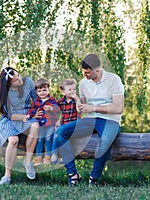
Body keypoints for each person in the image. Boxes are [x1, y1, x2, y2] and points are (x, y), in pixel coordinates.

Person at [55, 54, 124, 187]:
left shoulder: (114, 80)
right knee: (60, 132)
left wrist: (93, 107)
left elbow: (118, 108)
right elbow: (82, 108)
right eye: (83, 72)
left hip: (111, 120)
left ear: (96, 70)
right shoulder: (83, 83)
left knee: (104, 142)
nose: (85, 75)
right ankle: (73, 175)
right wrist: (76, 102)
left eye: (87, 72)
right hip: (90, 119)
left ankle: (94, 178)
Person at [0, 67, 40, 186]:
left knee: (35, 126)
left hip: (27, 115)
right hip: (12, 119)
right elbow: (11, 116)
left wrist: (37, 112)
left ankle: (27, 161)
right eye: (16, 80)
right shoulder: (5, 95)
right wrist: (26, 117)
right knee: (13, 140)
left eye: (18, 76)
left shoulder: (28, 82)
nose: (19, 80)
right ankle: (7, 175)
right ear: (9, 85)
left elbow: (37, 100)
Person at [24, 78, 59, 166]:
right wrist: (29, 115)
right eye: (39, 91)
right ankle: (38, 158)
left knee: (48, 139)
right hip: (40, 125)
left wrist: (51, 108)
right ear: (36, 92)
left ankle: (47, 157)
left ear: (48, 89)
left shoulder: (52, 100)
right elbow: (32, 110)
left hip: (50, 124)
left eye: (44, 90)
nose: (42, 92)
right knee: (39, 140)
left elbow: (58, 109)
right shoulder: (36, 101)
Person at [51, 79, 81, 164]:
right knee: (56, 133)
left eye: (74, 89)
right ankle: (54, 154)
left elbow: (79, 110)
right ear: (63, 92)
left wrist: (77, 99)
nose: (72, 91)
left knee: (67, 138)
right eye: (70, 89)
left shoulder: (77, 101)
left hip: (74, 124)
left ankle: (64, 156)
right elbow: (56, 112)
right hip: (64, 123)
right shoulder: (60, 102)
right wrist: (56, 121)